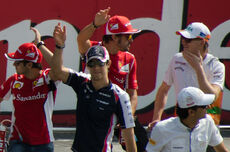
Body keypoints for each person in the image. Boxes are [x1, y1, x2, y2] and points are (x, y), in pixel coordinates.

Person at [39, 23, 137, 152]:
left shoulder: (119, 95)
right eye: (92, 63)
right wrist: (59, 46)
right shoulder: (82, 82)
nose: (96, 68)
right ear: (88, 66)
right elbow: (57, 71)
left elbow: (129, 136)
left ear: (108, 64)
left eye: (100, 63)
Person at [77, 7, 148, 151]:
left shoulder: (130, 58)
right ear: (115, 37)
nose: (131, 40)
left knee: (142, 144)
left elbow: (132, 93)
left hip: (119, 109)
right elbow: (81, 40)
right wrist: (95, 25)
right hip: (96, 109)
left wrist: (128, 116)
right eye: (128, 36)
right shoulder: (94, 50)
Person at [149, 22, 225, 128]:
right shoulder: (176, 59)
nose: (183, 42)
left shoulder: (217, 65)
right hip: (181, 123)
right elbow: (163, 90)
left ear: (202, 42)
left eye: (188, 40)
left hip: (207, 125)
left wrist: (198, 68)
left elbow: (213, 96)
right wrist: (156, 118)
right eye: (182, 38)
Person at [0, 32, 59, 152]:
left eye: (17, 62)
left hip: (44, 143)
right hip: (18, 142)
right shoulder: (14, 80)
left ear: (29, 65)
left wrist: (40, 44)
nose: (14, 65)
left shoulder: (47, 78)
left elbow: (58, 67)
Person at [146, 87, 229, 152]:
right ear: (191, 112)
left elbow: (222, 150)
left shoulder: (208, 122)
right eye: (204, 106)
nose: (208, 107)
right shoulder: (161, 129)